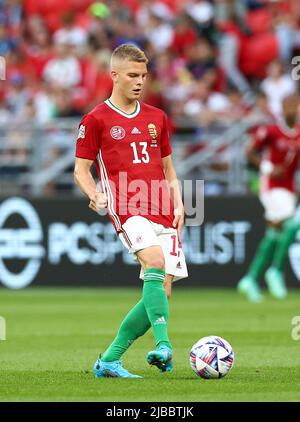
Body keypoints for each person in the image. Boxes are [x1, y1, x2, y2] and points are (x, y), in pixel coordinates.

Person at [74, 44, 188, 378]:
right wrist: (95, 194)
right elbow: (81, 169)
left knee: (161, 290)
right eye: (132, 75)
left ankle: (109, 359)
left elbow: (168, 169)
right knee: (154, 261)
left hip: (163, 207)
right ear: (114, 76)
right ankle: (165, 345)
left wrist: (179, 203)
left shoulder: (157, 117)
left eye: (143, 75)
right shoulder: (96, 119)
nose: (139, 81)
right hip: (127, 206)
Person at [238, 94, 300, 303]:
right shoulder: (272, 131)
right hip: (271, 186)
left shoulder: (299, 134)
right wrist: (268, 168)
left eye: (295, 104)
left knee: (274, 232)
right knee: (292, 223)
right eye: (289, 104)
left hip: (289, 189)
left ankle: (250, 278)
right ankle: (275, 270)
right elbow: (249, 151)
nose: (293, 109)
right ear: (282, 108)